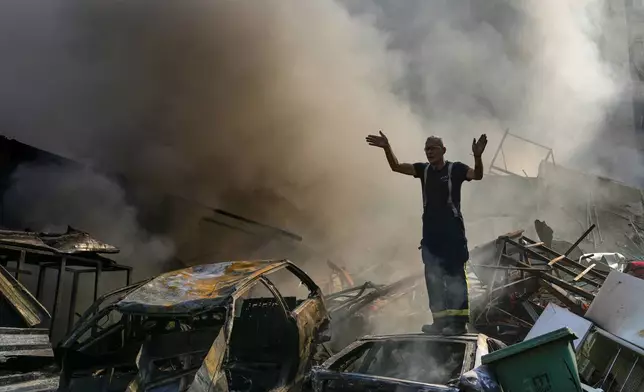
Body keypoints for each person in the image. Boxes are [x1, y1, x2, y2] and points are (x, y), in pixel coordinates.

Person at [366, 131, 487, 335]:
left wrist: (477, 156)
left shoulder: (455, 169)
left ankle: (458, 324)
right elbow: (396, 167)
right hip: (431, 236)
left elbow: (478, 175)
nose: (429, 151)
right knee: (433, 279)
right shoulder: (423, 170)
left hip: (453, 236)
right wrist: (387, 148)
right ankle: (439, 322)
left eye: (433, 148)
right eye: (427, 148)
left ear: (443, 150)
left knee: (455, 277)